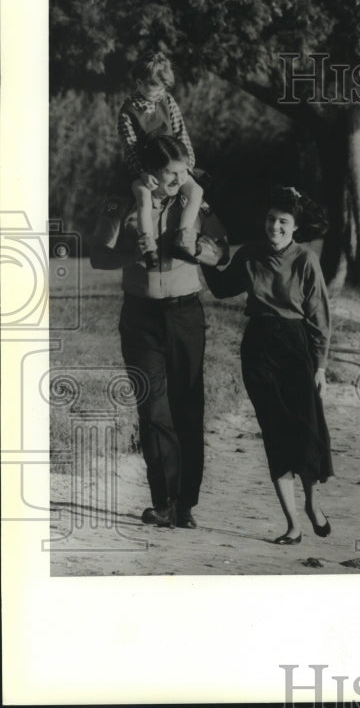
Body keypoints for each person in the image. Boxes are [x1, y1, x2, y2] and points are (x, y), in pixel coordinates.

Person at [90, 135, 228, 529]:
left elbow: (223, 250)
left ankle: (186, 503)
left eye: (182, 170)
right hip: (140, 319)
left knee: (188, 406)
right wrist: (131, 253)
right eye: (170, 172)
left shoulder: (193, 200)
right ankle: (164, 501)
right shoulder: (123, 201)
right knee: (153, 409)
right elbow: (98, 254)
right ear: (149, 171)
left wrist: (198, 249)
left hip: (186, 315)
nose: (179, 177)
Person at [202, 187, 333, 545]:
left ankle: (311, 505)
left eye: (283, 222)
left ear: (295, 226)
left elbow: (320, 316)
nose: (274, 226)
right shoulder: (250, 254)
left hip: (296, 347)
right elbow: (223, 289)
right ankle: (292, 524)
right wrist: (204, 258)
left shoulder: (306, 259)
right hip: (259, 348)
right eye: (271, 219)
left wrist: (320, 367)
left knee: (306, 432)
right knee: (274, 434)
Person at [117, 51, 204, 269]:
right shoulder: (127, 112)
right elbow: (131, 149)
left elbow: (181, 133)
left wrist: (187, 167)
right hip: (146, 170)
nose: (161, 93)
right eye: (156, 87)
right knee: (144, 197)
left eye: (164, 88)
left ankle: (183, 239)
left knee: (196, 192)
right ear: (140, 83)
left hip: (175, 165)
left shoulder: (168, 101)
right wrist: (143, 174)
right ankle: (148, 248)